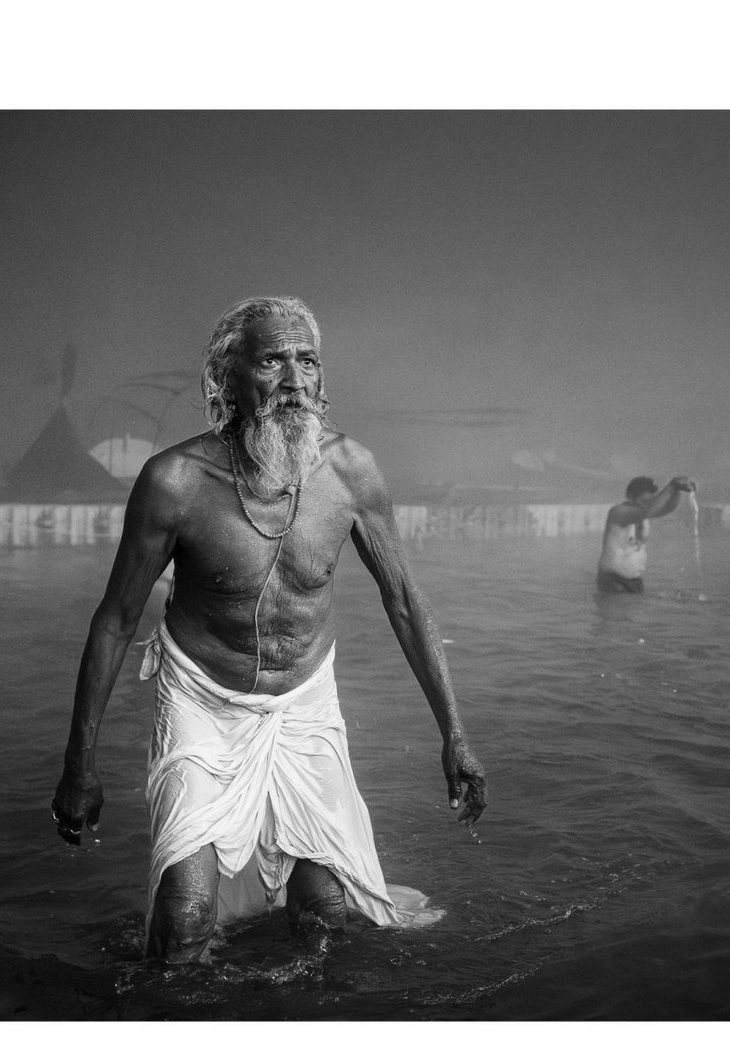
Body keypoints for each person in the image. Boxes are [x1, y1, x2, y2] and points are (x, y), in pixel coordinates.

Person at [50, 295, 487, 963]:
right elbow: (115, 619)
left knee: (326, 914)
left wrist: (454, 732)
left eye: (306, 362)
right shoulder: (175, 481)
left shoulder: (349, 471)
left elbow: (404, 597)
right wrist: (78, 764)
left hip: (304, 703)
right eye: (271, 361)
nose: (292, 381)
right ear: (227, 381)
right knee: (183, 921)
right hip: (202, 703)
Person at [596, 474, 695, 593]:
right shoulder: (618, 512)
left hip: (635, 581)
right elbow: (649, 509)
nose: (646, 503)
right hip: (613, 580)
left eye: (650, 500)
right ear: (630, 496)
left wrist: (678, 490)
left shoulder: (644, 514)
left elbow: (666, 508)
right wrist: (671, 486)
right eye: (643, 500)